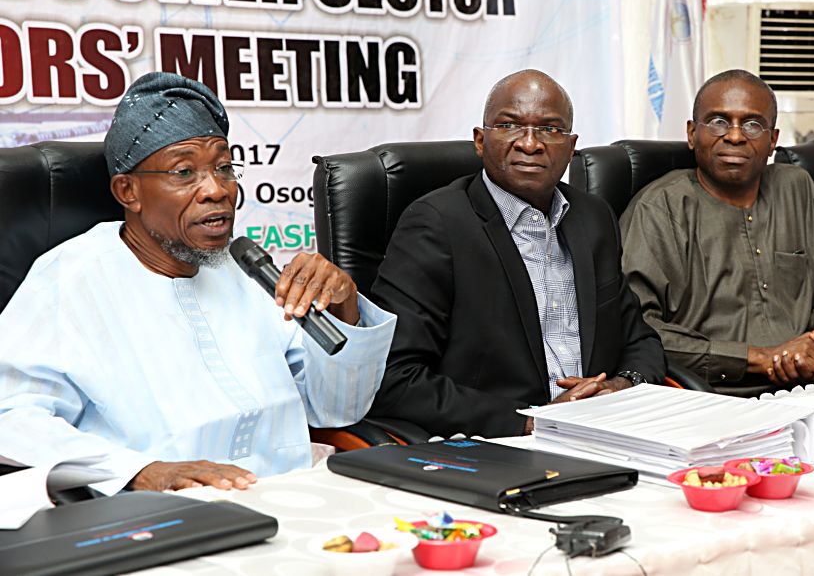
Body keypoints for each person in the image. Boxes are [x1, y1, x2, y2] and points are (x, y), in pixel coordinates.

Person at [0, 72, 395, 493]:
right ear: (127, 191)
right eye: (185, 172)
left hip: (293, 494)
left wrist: (344, 306)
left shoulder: (246, 267)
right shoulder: (71, 278)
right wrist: (139, 471)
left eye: (224, 167)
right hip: (164, 514)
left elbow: (335, 409)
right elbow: (12, 419)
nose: (216, 190)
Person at [367, 69, 666, 437]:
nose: (529, 144)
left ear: (571, 148)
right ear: (480, 141)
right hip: (500, 441)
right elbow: (395, 376)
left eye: (550, 130)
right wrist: (531, 421)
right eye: (509, 125)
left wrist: (619, 387)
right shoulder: (435, 225)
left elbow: (640, 339)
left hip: (604, 429)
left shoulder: (593, 218)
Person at [620, 69, 814, 396]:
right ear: (692, 134)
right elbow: (640, 330)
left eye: (752, 124)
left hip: (809, 392)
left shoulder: (796, 189)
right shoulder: (659, 208)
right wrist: (754, 359)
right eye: (719, 122)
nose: (735, 136)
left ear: (773, 140)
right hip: (709, 397)